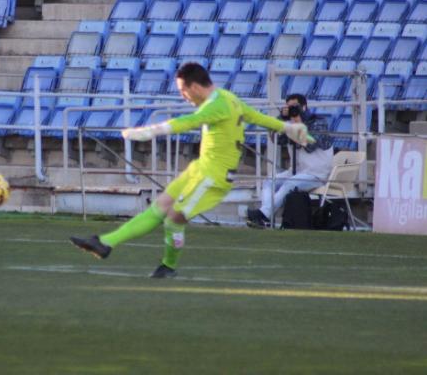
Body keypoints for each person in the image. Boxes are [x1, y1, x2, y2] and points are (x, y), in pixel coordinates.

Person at [69, 63, 313, 278]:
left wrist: (149, 131)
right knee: (160, 206)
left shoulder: (217, 105)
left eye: (183, 91)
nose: (183, 96)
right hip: (199, 170)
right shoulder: (229, 99)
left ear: (194, 87)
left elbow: (188, 122)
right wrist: (286, 128)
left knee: (174, 218)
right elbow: (256, 117)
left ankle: (168, 265)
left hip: (213, 177)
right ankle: (106, 243)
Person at [247, 94, 333, 228]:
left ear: (304, 107)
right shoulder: (289, 123)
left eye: (295, 107)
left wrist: (297, 123)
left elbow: (309, 145)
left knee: (289, 183)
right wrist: (281, 119)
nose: (292, 110)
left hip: (317, 174)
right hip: (296, 171)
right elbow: (278, 140)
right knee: (269, 181)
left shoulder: (319, 122)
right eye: (289, 108)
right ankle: (264, 217)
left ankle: (263, 214)